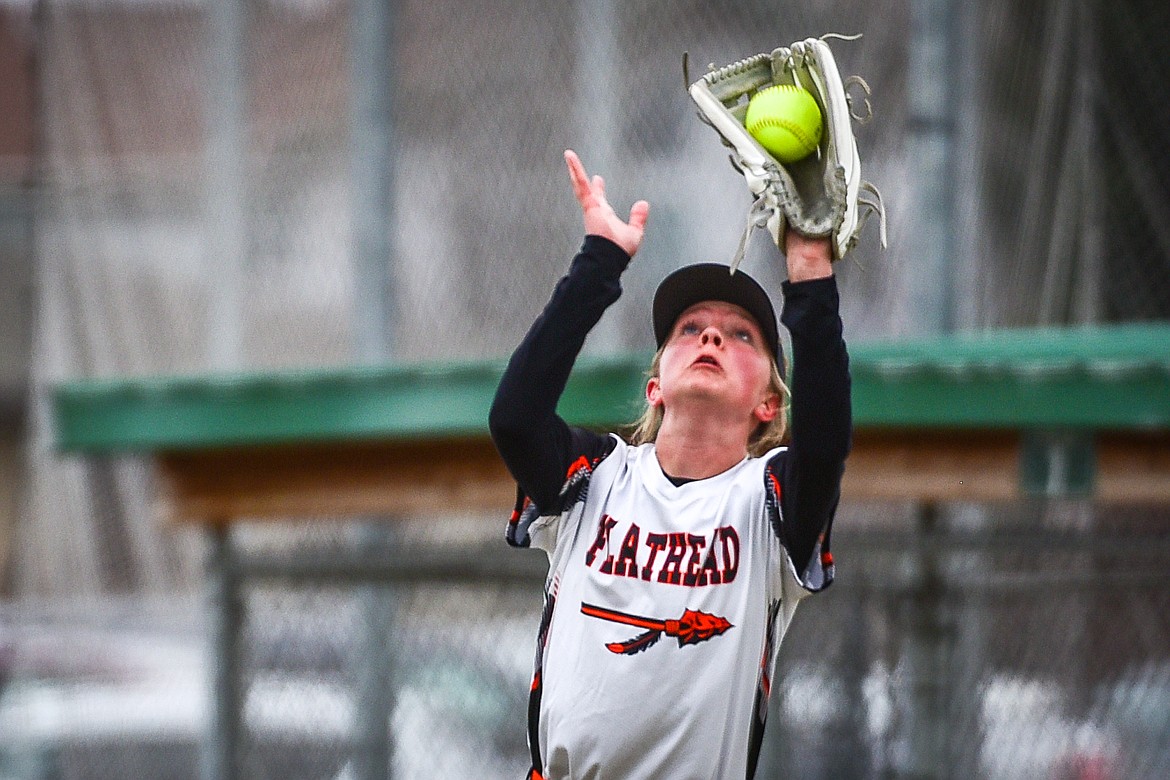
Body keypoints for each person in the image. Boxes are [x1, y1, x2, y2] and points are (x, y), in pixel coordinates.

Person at [489, 149, 851, 780]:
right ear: (656, 385)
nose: (711, 338)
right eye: (690, 329)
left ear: (770, 403)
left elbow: (824, 446)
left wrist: (812, 275)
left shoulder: (768, 503)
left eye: (741, 336)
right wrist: (598, 263)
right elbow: (515, 419)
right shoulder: (595, 476)